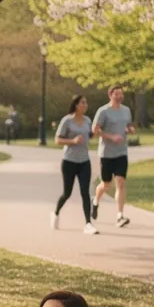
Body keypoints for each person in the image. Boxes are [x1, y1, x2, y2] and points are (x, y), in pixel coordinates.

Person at [51, 95, 98, 235]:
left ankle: (88, 224)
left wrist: (93, 134)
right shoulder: (67, 120)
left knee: (85, 192)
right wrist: (73, 141)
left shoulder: (88, 121)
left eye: (86, 102)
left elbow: (89, 135)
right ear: (76, 105)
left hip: (84, 161)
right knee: (67, 193)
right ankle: (56, 213)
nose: (86, 105)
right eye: (83, 102)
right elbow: (57, 140)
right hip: (69, 161)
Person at [91, 84, 135, 228]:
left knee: (121, 183)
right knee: (106, 184)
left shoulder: (126, 110)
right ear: (110, 95)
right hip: (107, 153)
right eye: (116, 94)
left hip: (121, 152)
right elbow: (95, 129)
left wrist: (130, 129)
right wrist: (111, 137)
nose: (119, 96)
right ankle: (95, 202)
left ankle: (119, 216)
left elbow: (128, 125)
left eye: (121, 94)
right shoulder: (103, 111)